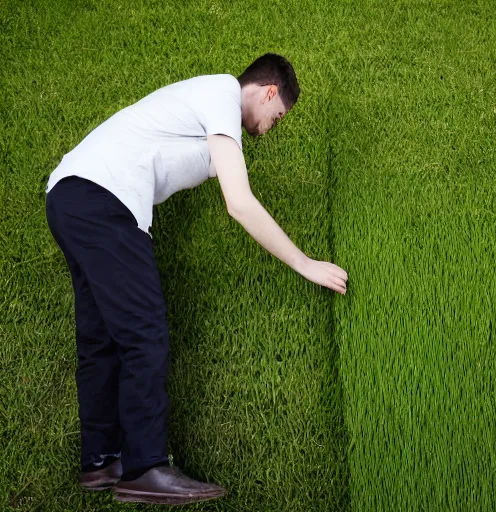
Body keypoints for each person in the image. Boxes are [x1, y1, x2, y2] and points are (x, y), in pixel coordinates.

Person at [45, 53, 348, 505]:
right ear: (268, 92)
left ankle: (100, 461)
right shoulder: (221, 93)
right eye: (277, 116)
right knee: (144, 334)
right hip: (103, 200)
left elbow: (222, 174)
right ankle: (145, 466)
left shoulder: (205, 123)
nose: (271, 127)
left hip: (69, 198)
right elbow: (239, 203)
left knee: (102, 338)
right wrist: (305, 263)